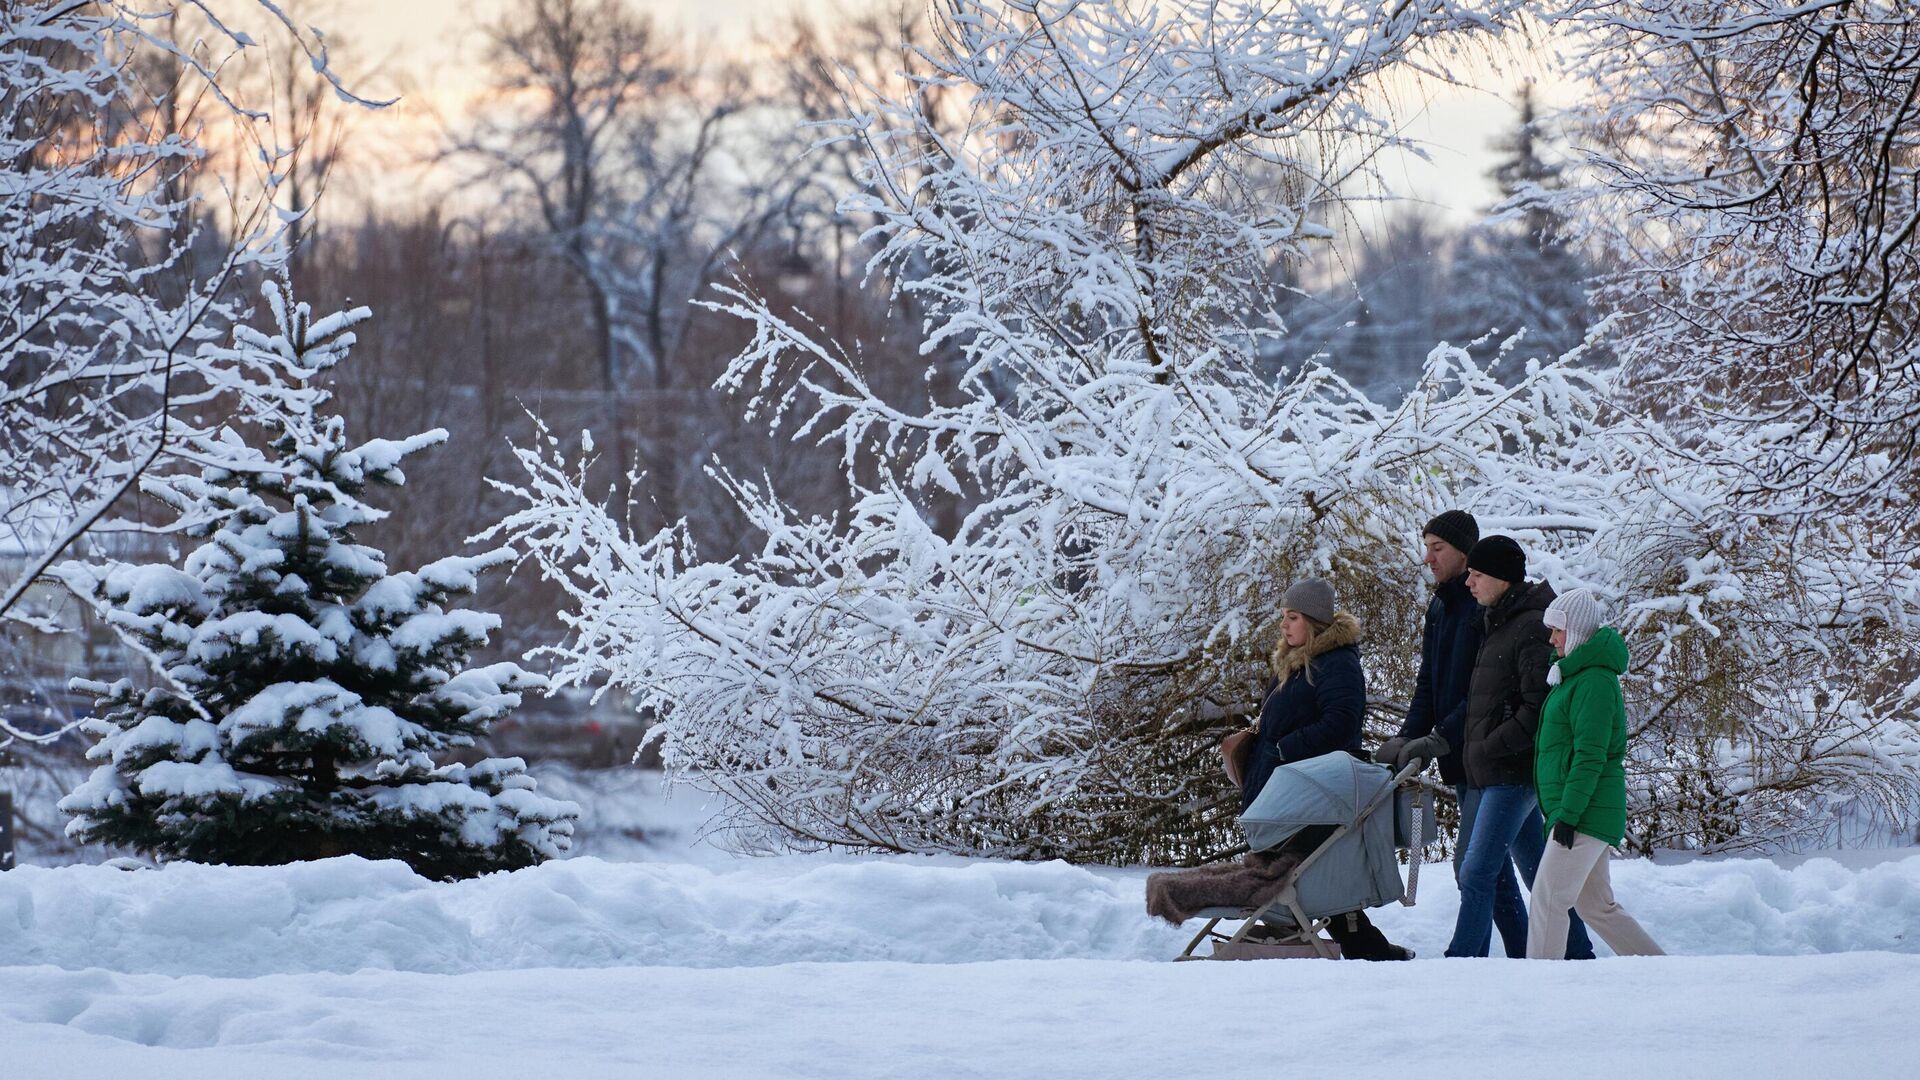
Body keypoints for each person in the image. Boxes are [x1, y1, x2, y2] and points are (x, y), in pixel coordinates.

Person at [1236, 577, 1412, 961]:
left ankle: (1362, 946)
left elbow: (1341, 725)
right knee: (1300, 869)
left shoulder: (1337, 664)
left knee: (1307, 870)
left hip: (1308, 790)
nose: (1284, 624)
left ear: (1314, 622)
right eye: (1283, 616)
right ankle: (1355, 945)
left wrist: (1285, 749)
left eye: (1293, 617)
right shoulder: (1295, 661)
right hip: (1280, 782)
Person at [1443, 535, 1594, 959]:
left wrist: (1492, 745)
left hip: (1512, 772)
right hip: (1489, 771)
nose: (1468, 582)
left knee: (1475, 873)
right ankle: (1572, 956)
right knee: (1536, 875)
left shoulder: (1529, 627)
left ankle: (1462, 964)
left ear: (1502, 578)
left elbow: (1538, 706)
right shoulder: (1495, 621)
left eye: (1476, 575)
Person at [1527, 589, 1665, 960]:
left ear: (1576, 631)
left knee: (1548, 899)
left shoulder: (1594, 681)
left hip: (1584, 811)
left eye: (1558, 630)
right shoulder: (1576, 677)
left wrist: (1568, 815)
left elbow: (1590, 755)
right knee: (1596, 907)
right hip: (1583, 809)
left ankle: (1536, 989)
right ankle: (1661, 971)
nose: (1552, 638)